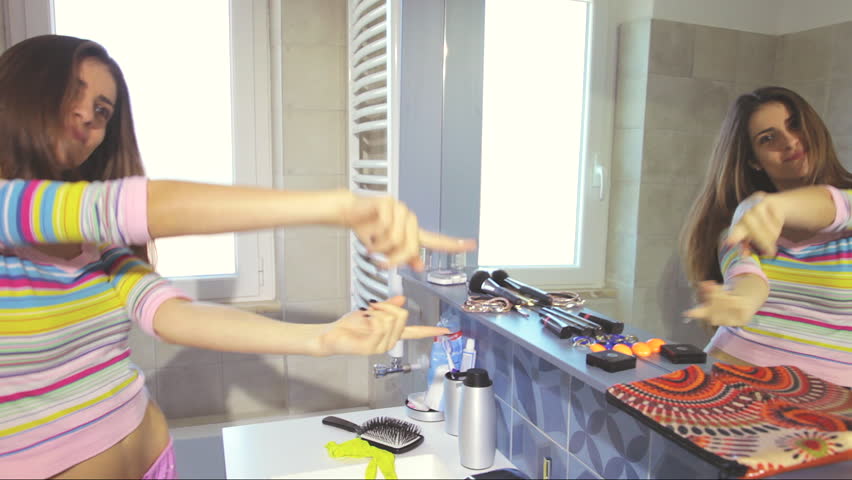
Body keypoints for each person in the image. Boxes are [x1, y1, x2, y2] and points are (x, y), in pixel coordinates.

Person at [0, 35, 476, 479]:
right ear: (24, 92)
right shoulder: (13, 209)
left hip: (154, 461)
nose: (88, 115)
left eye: (102, 110)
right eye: (73, 93)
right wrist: (341, 207)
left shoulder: (98, 250)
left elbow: (172, 316)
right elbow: (124, 208)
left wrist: (323, 339)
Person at [680, 85, 852, 388]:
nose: (790, 142)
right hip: (727, 377)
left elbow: (836, 206)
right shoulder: (744, 222)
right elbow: (749, 281)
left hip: (829, 400)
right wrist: (740, 304)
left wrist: (775, 206)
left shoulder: (764, 210)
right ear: (754, 160)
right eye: (768, 138)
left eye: (794, 124)